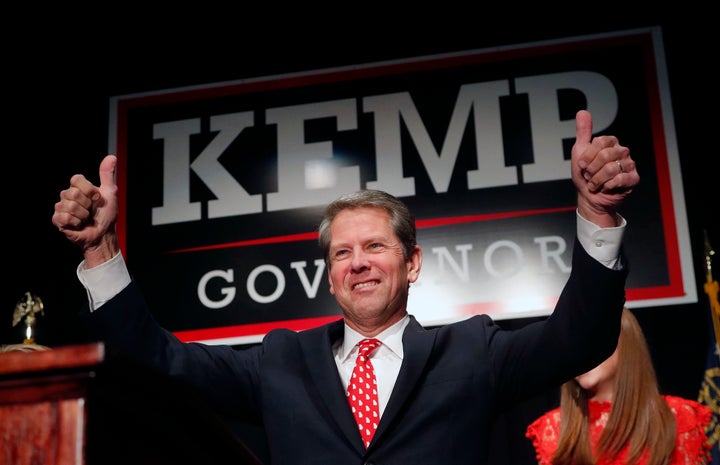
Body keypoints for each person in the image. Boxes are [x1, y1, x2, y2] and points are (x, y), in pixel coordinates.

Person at [52, 110, 639, 465]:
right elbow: (157, 362)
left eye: (375, 247)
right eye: (342, 253)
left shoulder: (473, 351)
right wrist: (101, 251)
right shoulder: (279, 361)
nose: (358, 263)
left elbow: (580, 336)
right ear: (330, 275)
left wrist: (596, 212)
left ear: (412, 263)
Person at [525, 308, 712, 465]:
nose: (579, 357)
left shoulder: (679, 417)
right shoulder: (554, 427)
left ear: (624, 343)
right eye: (572, 349)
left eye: (589, 343)